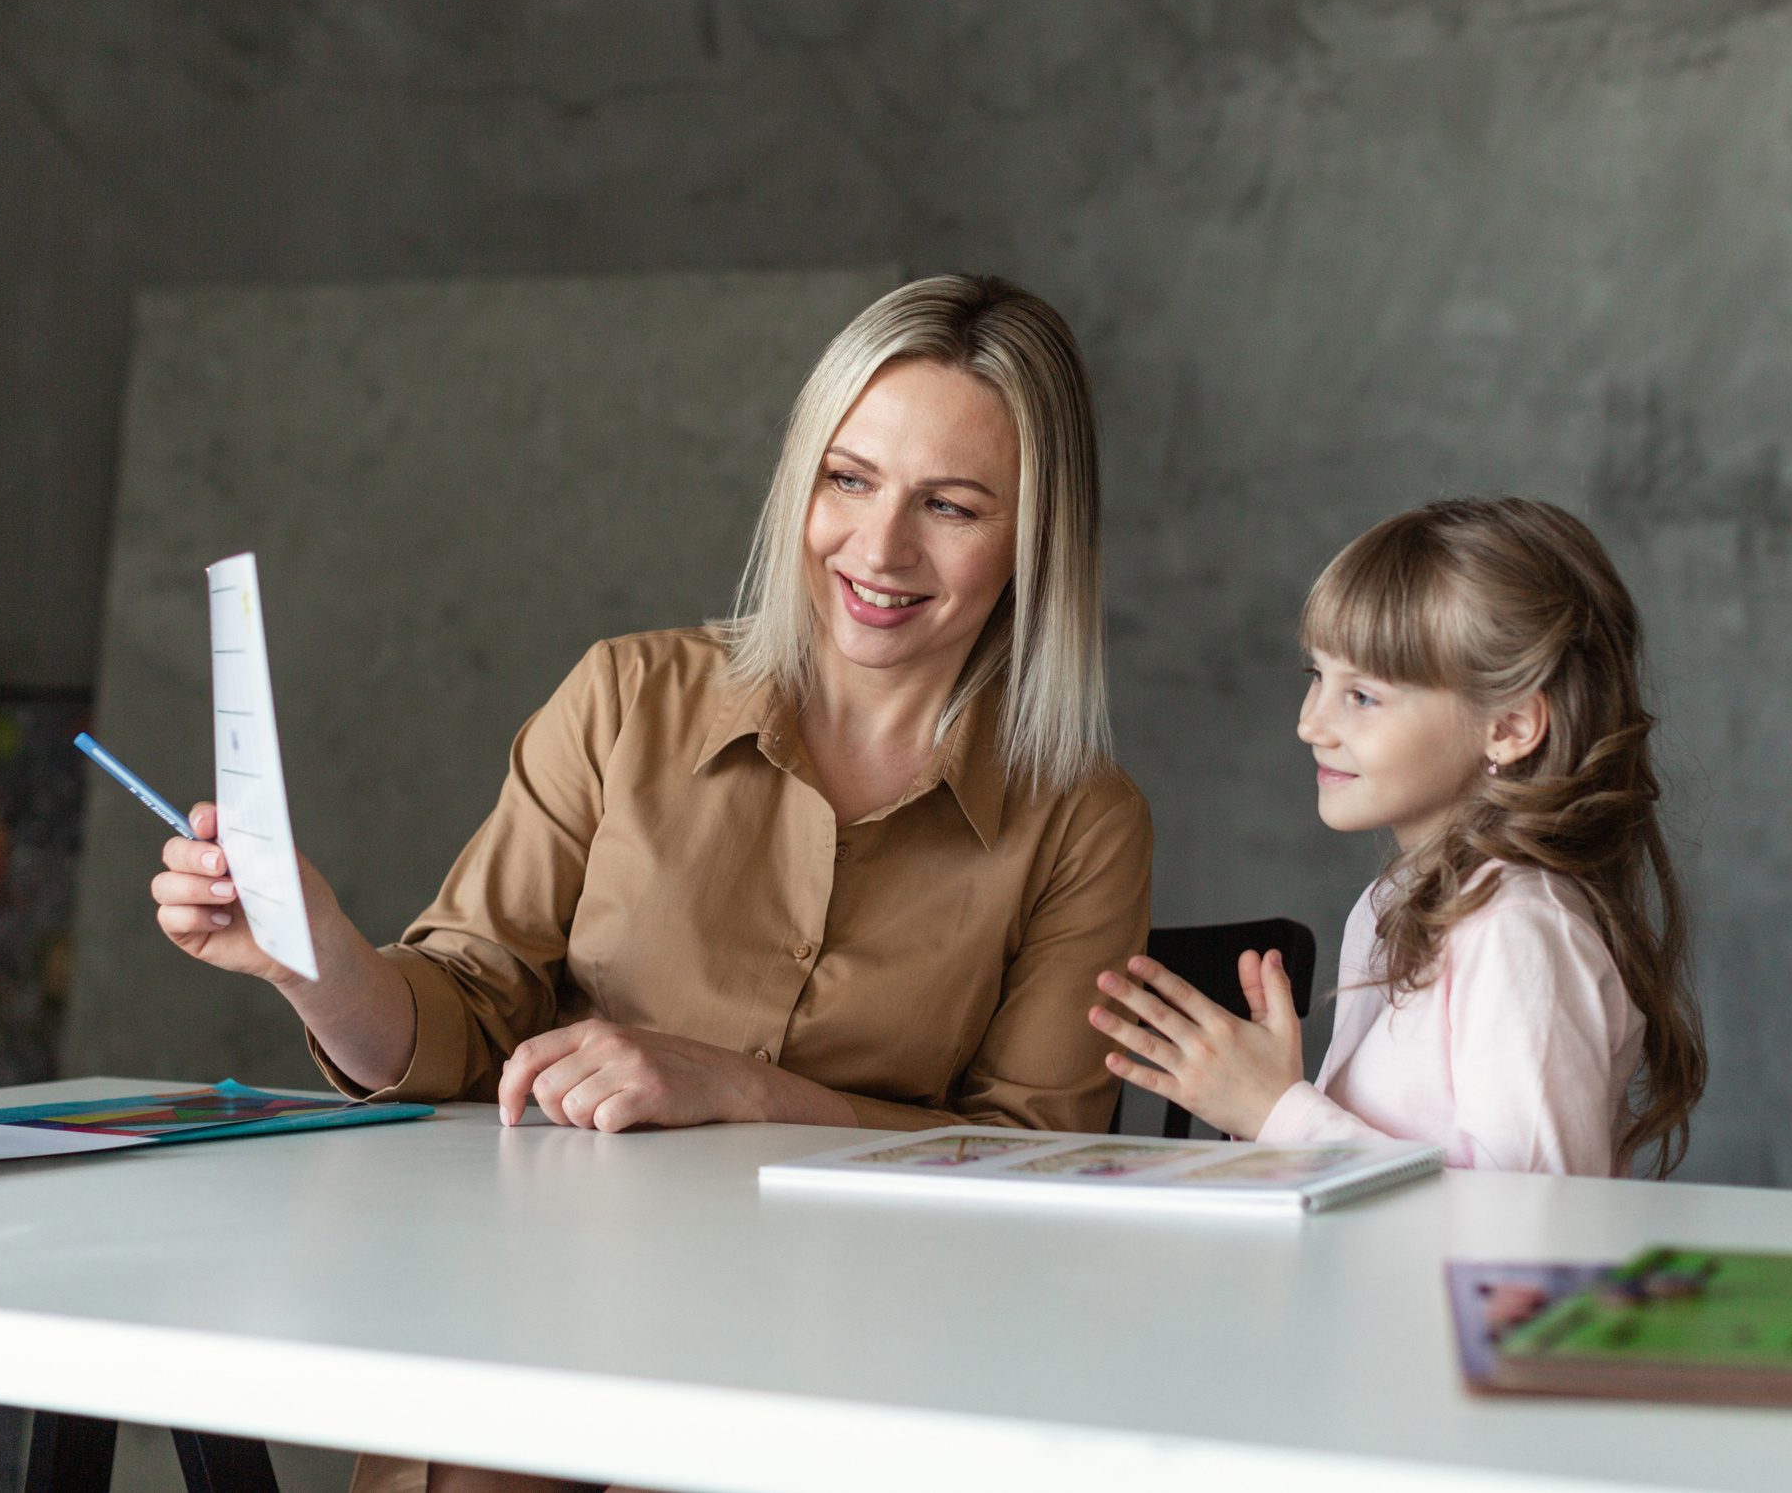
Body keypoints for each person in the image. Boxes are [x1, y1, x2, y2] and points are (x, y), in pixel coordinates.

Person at [148, 275, 1152, 1493]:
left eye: (950, 505)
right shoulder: (624, 702)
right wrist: (312, 957)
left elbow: (1037, 1165)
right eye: (848, 481)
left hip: (866, 1372)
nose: (878, 549)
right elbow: (461, 1015)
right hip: (555, 1328)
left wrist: (740, 1089)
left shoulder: (1081, 820)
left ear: (1037, 539)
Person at [1087, 497, 1704, 1177]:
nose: (1310, 723)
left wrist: (1280, 1113)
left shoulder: (1520, 930)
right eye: (1317, 676)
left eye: (1363, 695)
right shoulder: (1391, 904)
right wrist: (1267, 1110)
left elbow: (1533, 1228)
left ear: (1509, 726)